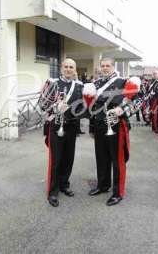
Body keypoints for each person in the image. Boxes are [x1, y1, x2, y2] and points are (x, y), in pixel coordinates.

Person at [88, 57, 138, 206]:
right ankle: (103, 185)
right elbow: (92, 107)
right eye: (102, 65)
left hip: (116, 126)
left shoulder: (124, 82)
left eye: (107, 65)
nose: (105, 68)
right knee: (101, 157)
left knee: (117, 160)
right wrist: (92, 126)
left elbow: (138, 100)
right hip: (99, 125)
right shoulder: (96, 84)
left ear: (113, 66)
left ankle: (118, 193)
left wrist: (122, 109)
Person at [38, 58, 84, 207]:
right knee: (56, 160)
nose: (69, 69)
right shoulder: (52, 83)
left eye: (71, 67)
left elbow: (82, 107)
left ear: (75, 69)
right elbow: (41, 105)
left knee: (68, 159)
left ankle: (64, 185)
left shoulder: (79, 85)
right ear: (61, 68)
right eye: (66, 66)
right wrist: (55, 107)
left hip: (71, 127)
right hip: (56, 126)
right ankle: (53, 191)